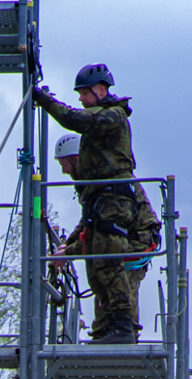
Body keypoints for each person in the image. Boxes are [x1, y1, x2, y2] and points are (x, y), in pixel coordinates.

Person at [35, 65, 160, 343]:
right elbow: (87, 223)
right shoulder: (91, 187)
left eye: (83, 93)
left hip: (123, 213)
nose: (80, 99)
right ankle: (107, 331)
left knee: (109, 264)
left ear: (101, 90)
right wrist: (67, 247)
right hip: (107, 203)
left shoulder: (111, 116)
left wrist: (44, 101)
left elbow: (76, 119)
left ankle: (123, 330)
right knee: (98, 264)